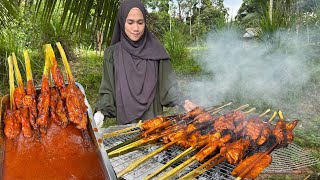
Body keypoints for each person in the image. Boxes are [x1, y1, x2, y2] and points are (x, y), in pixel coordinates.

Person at [94, 0, 197, 128]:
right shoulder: (112, 54)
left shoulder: (157, 51)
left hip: (154, 124)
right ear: (122, 22)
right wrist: (100, 112)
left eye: (140, 22)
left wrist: (184, 101)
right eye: (130, 22)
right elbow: (108, 90)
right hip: (125, 128)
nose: (136, 28)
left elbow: (168, 87)